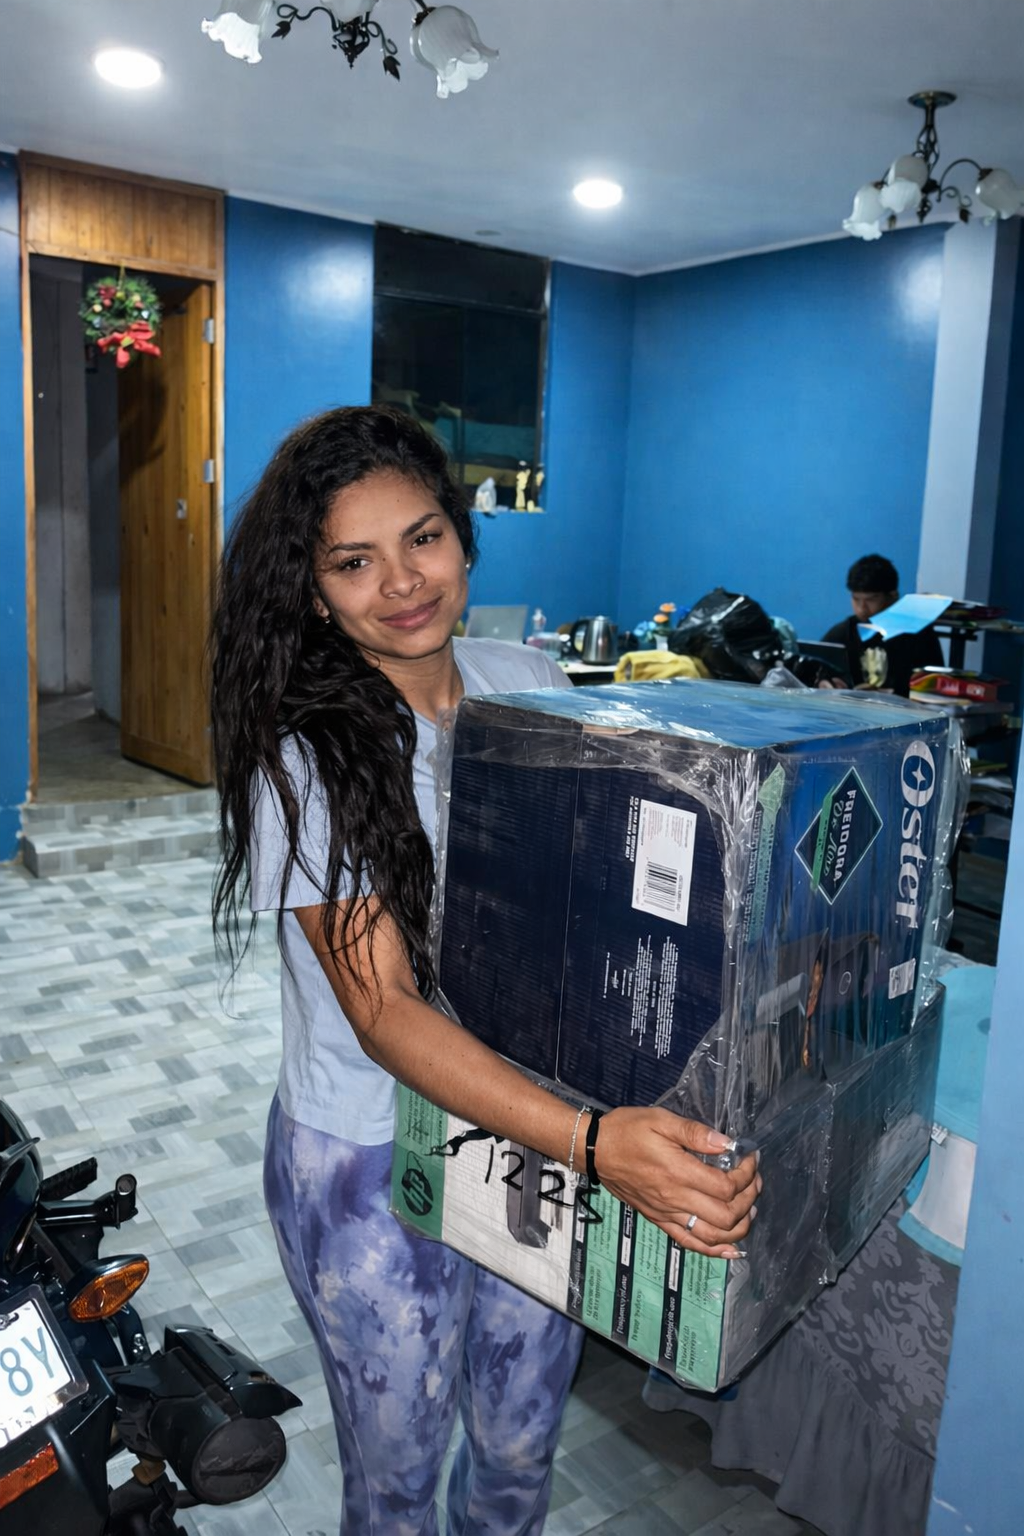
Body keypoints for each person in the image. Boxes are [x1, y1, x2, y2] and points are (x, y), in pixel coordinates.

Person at [210, 405, 759, 1536]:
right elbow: (384, 1013)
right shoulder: (302, 748)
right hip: (370, 1158)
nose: (401, 583)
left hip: (531, 1139)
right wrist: (600, 1145)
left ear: (462, 539)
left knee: (517, 1450)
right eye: (352, 563)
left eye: (423, 539)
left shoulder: (531, 679)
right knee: (399, 1488)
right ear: (313, 592)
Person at [822, 553, 944, 696]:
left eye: (871, 600)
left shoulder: (917, 634)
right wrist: (825, 683)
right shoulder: (842, 633)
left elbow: (935, 686)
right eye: (856, 599)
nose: (862, 608)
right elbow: (817, 672)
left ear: (893, 596)